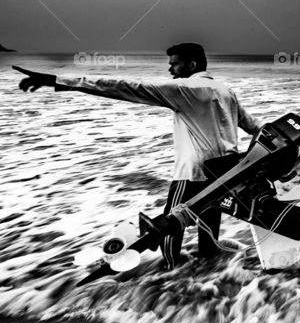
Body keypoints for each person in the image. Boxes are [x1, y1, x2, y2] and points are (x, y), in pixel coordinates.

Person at [14, 43, 260, 268]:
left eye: (174, 63)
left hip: (192, 172)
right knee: (209, 230)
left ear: (192, 65)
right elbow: (254, 128)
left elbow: (125, 87)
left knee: (169, 229)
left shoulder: (185, 89)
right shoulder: (226, 91)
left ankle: (172, 273)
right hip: (225, 173)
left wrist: (57, 80)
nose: (170, 68)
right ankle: (210, 273)